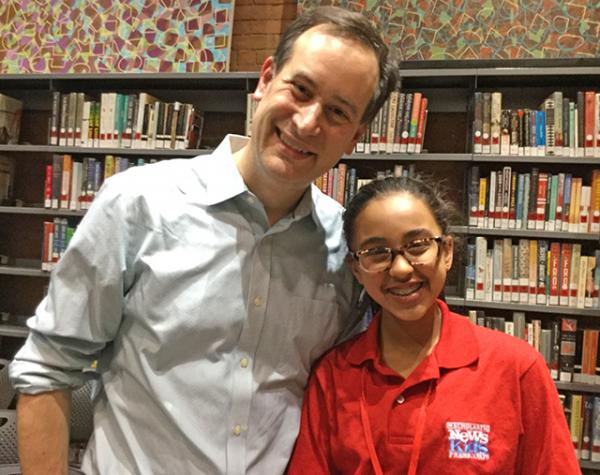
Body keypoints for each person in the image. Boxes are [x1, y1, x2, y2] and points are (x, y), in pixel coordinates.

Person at [10, 7, 398, 474]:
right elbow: (47, 369)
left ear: (355, 136)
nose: (309, 121)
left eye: (337, 112)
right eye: (301, 90)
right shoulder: (139, 203)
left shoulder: (344, 247)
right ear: (266, 79)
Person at [288, 175, 579, 474]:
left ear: (447, 251)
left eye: (417, 245)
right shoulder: (333, 376)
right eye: (376, 252)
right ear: (357, 269)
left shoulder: (516, 368)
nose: (401, 269)